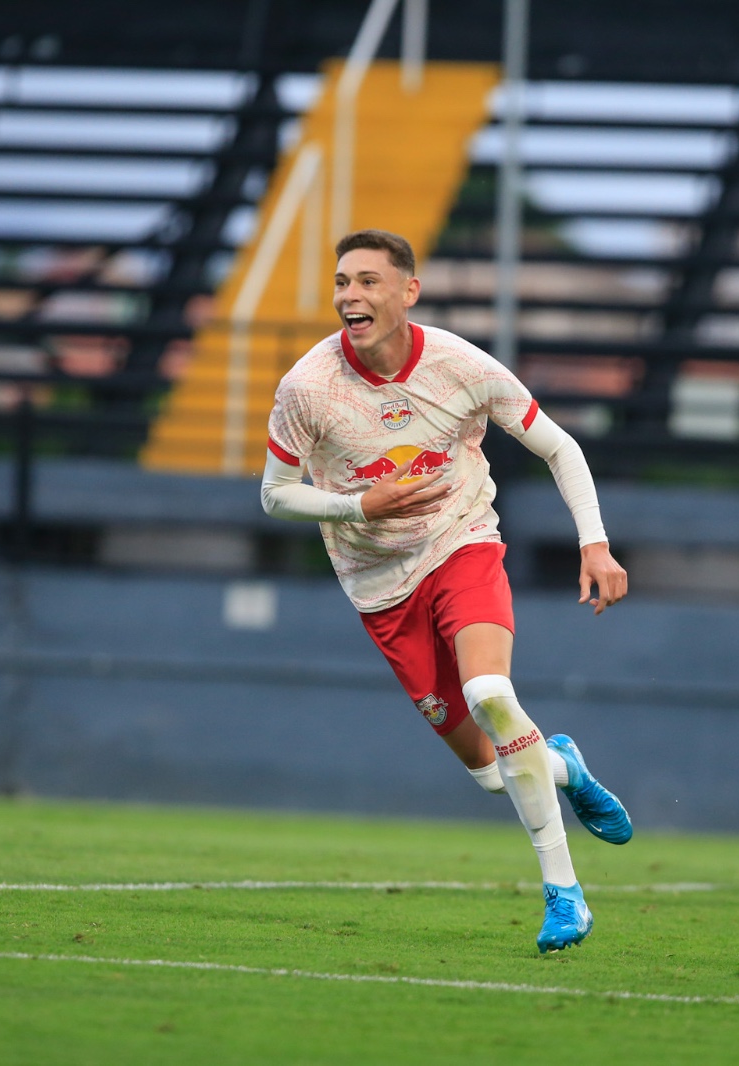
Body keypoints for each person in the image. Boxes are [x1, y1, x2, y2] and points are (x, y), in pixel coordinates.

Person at [261, 229, 631, 953]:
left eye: (368, 281)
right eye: (342, 282)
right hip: (377, 585)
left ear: (408, 292)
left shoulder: (460, 365)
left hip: (461, 544)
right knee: (495, 775)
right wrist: (359, 507)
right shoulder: (308, 387)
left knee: (493, 692)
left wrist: (594, 540)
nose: (350, 296)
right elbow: (275, 497)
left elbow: (559, 445)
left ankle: (565, 895)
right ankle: (564, 767)